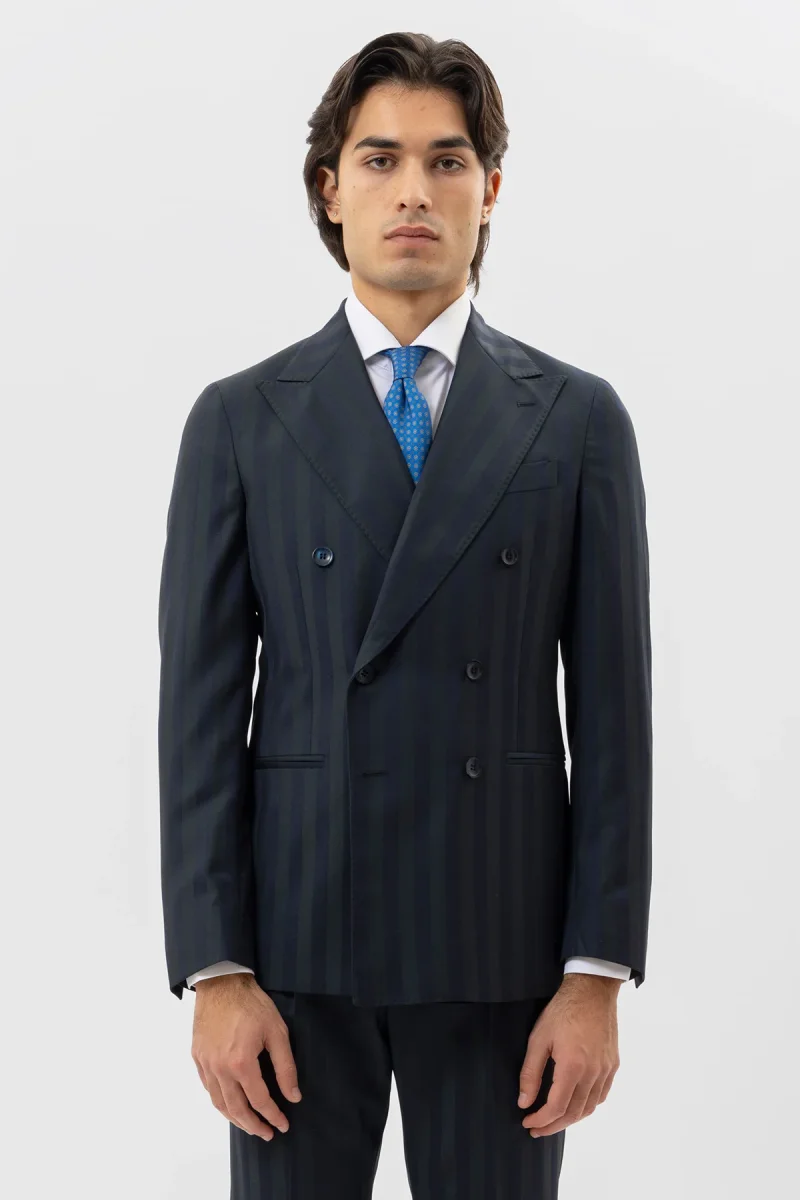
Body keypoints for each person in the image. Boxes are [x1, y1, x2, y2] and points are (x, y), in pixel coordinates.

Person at [157, 30, 652, 1199]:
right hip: (293, 957)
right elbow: (197, 723)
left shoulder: (576, 418)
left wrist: (594, 974)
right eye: (379, 160)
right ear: (331, 190)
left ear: (490, 188)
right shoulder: (240, 419)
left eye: (446, 160)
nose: (413, 191)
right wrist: (215, 971)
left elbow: (614, 723)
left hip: (502, 954)